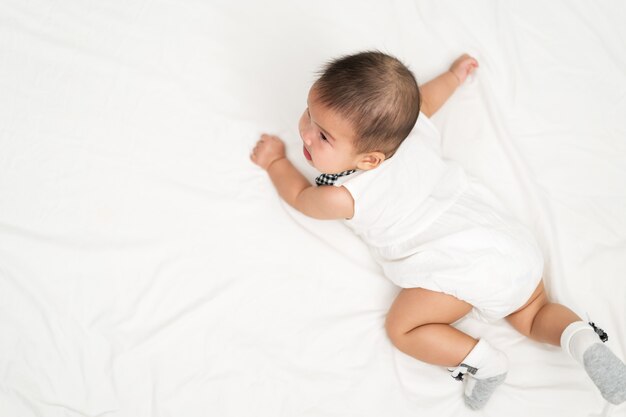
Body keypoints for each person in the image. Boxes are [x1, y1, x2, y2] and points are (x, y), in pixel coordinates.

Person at [249, 51, 626, 409]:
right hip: (507, 241)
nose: (307, 136)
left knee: (402, 329)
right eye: (308, 115)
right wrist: (453, 78)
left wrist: (275, 162)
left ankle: (484, 362)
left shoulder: (344, 196)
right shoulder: (412, 133)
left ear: (370, 159)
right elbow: (425, 103)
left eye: (324, 137)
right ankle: (583, 340)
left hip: (456, 264)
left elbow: (300, 196)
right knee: (533, 311)